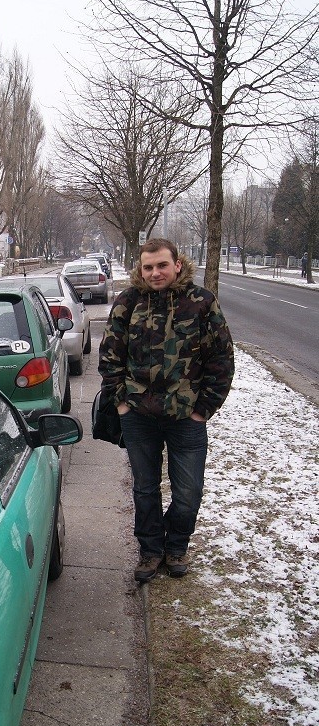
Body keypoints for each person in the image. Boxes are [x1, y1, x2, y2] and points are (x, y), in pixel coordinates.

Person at [98, 239, 234, 582]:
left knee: (188, 492)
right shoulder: (128, 302)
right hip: (139, 417)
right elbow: (110, 356)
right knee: (145, 488)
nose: (155, 273)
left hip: (186, 418)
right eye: (148, 267)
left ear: (177, 265)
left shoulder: (201, 303)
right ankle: (150, 551)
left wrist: (203, 409)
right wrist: (123, 403)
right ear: (140, 270)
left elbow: (221, 358)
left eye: (161, 265)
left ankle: (176, 547)